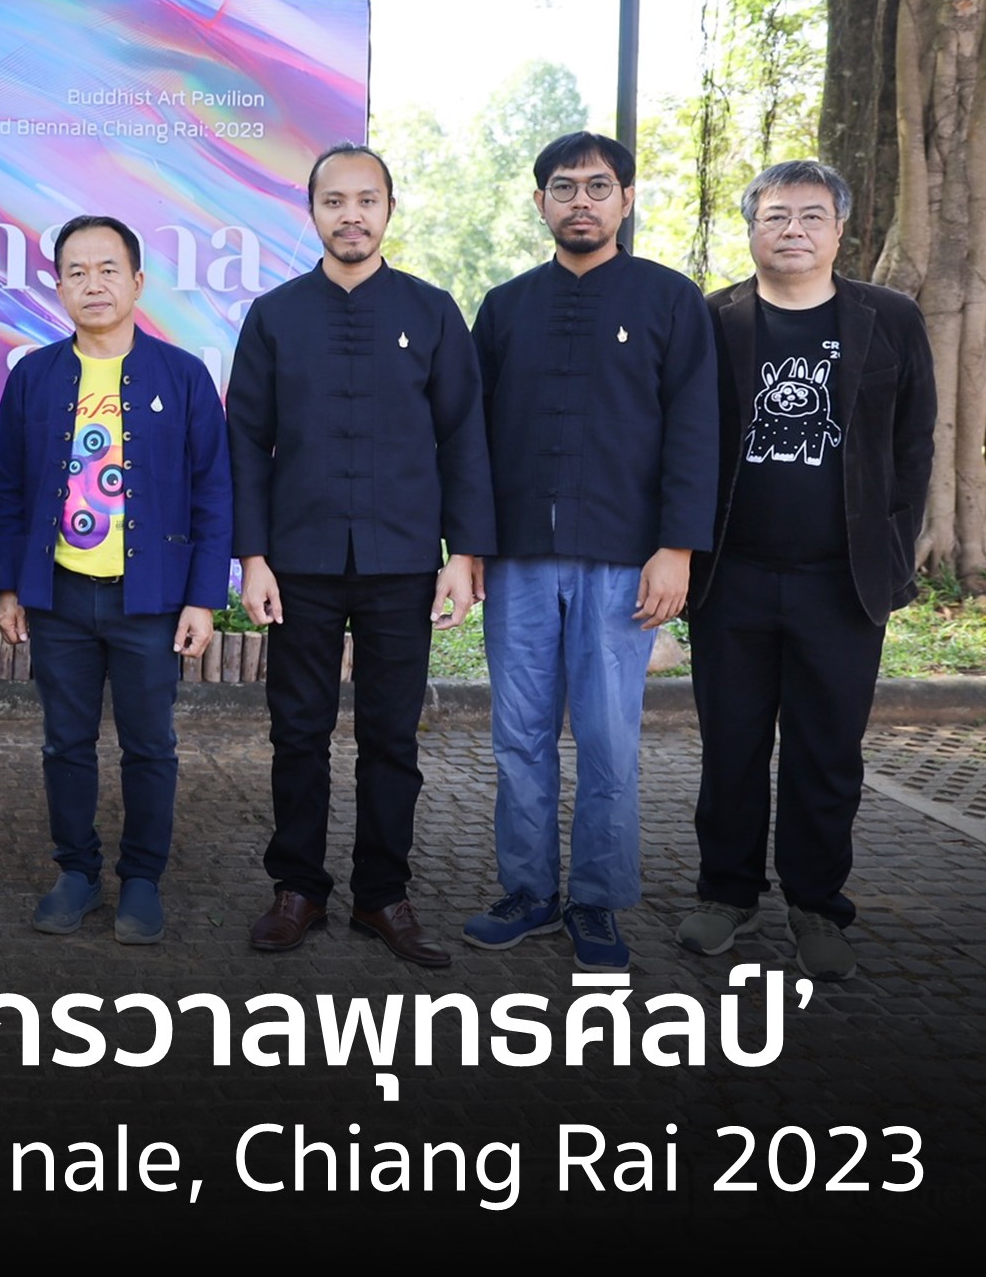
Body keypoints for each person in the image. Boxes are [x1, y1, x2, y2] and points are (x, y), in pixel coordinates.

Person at [232, 144, 495, 968]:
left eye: (366, 199)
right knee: (297, 731)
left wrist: (465, 554)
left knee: (391, 737)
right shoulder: (274, 315)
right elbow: (244, 438)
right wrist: (252, 556)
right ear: (309, 211)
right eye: (334, 201)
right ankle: (298, 888)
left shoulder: (433, 310)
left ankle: (382, 894)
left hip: (403, 559)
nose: (351, 214)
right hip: (300, 556)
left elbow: (463, 437)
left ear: (388, 209)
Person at [466, 131, 718, 970]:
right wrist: (468, 547)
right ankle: (528, 891)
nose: (581, 201)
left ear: (627, 199)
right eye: (564, 187)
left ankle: (599, 900)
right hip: (519, 559)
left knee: (609, 739)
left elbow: (693, 431)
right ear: (538, 202)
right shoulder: (502, 307)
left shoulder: (669, 300)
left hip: (624, 562)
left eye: (598, 187)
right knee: (519, 736)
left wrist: (675, 548)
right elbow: (471, 437)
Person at [678, 160, 935, 981]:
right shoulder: (712, 318)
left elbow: (913, 445)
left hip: (842, 580)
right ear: (750, 226)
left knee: (827, 752)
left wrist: (894, 556)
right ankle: (725, 894)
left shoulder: (888, 319)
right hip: (733, 578)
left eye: (810, 215)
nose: (792, 228)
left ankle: (817, 906)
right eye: (775, 214)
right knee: (731, 745)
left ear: (838, 229)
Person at [0, 214, 231, 945]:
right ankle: (76, 869)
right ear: (56, 284)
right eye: (76, 272)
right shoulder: (35, 374)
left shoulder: (180, 374)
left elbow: (212, 489)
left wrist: (200, 597)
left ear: (136, 282)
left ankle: (142, 878)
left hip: (148, 601)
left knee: (149, 743)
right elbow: (5, 488)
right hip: (58, 595)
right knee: (65, 742)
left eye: (107, 269)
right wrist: (7, 587)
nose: (92, 285)